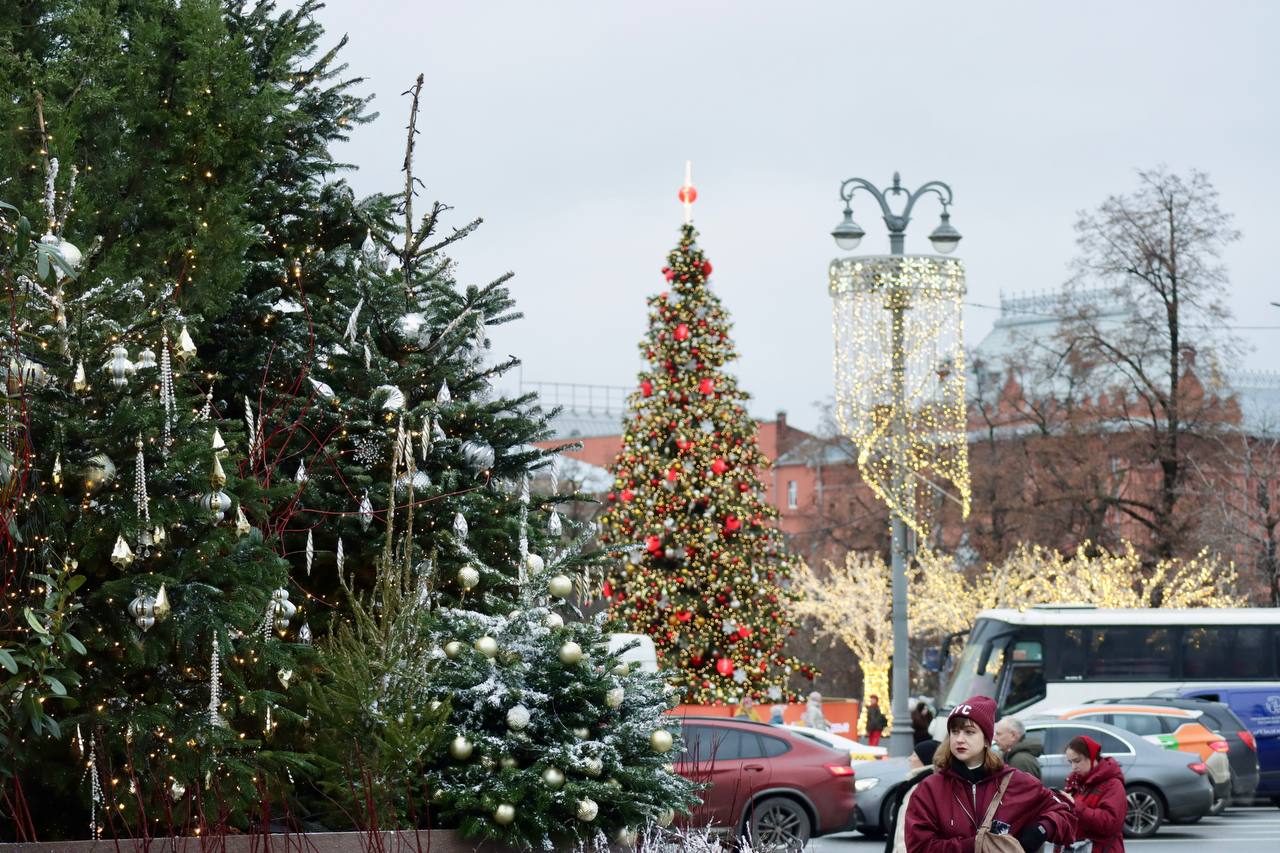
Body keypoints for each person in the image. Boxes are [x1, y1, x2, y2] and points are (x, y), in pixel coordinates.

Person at [904, 696, 1075, 853]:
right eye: (954, 732)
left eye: (969, 732)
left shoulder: (1016, 781)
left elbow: (1065, 812)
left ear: (986, 739)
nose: (959, 739)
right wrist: (976, 845)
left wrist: (1042, 830)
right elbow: (919, 847)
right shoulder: (930, 788)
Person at [1060, 735, 1126, 853]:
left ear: (1091, 757)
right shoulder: (1075, 781)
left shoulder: (1113, 784)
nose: (1073, 767)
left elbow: (1110, 824)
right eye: (1070, 762)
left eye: (1077, 761)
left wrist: (1075, 805)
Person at [887, 739, 940, 853]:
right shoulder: (919, 783)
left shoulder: (918, 787)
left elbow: (905, 829)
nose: (910, 758)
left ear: (925, 760)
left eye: (914, 755)